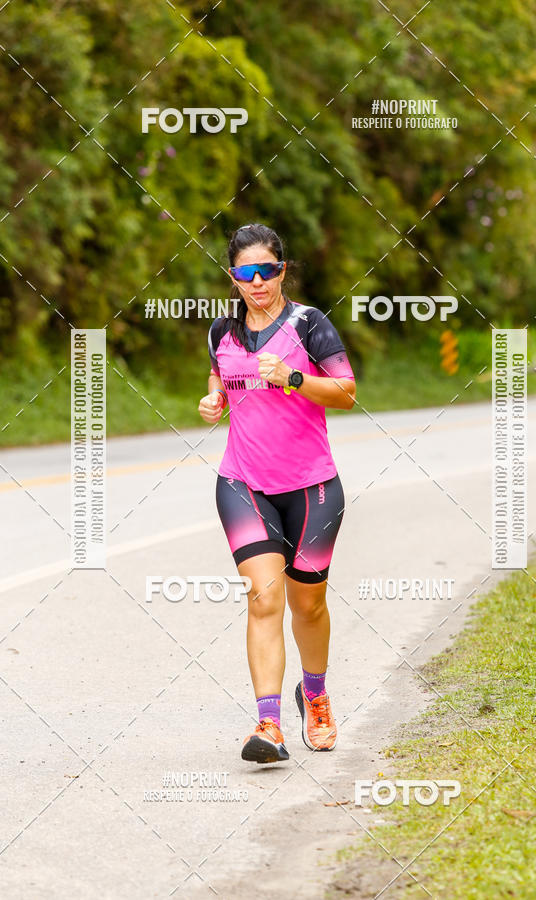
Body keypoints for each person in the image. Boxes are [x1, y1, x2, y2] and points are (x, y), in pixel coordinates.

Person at [198, 223, 356, 764]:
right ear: (233, 276)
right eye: (246, 272)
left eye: (267, 270)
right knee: (264, 598)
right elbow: (221, 379)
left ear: (282, 271)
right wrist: (213, 400)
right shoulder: (222, 330)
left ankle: (315, 695)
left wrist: (292, 378)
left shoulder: (310, 325)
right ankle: (269, 724)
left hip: (313, 488)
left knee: (306, 603)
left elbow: (346, 392)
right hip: (243, 483)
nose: (257, 281)